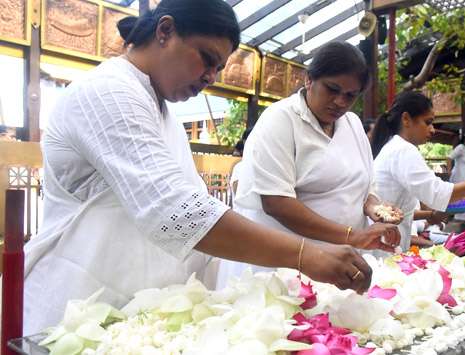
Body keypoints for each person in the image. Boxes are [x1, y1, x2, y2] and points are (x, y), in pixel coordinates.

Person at [23, 0, 373, 334]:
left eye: (218, 68)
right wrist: (304, 254)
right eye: (206, 59)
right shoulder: (108, 92)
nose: (210, 77)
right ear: (165, 31)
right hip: (74, 309)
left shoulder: (159, 110)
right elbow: (177, 212)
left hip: (135, 313)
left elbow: (193, 205)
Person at [216, 42, 401, 288]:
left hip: (340, 261)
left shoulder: (353, 125)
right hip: (285, 266)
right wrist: (353, 236)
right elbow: (277, 203)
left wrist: (375, 208)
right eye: (332, 89)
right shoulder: (280, 119)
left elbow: (364, 185)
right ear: (309, 79)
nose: (340, 102)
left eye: (350, 95)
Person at [371, 91, 465, 250]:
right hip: (385, 247)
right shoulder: (403, 150)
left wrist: (430, 215)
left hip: (386, 242)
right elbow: (438, 194)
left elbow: (402, 208)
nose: (432, 130)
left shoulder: (395, 147)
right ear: (406, 119)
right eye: (428, 122)